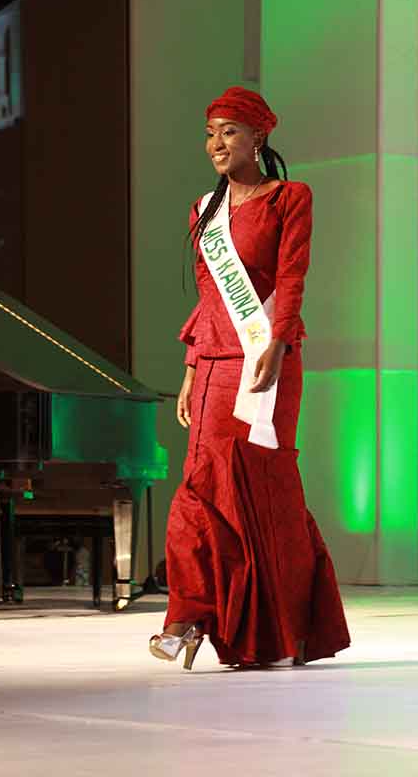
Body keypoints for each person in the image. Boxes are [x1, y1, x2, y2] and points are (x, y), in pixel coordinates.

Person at [149, 86, 350, 670]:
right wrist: (191, 367)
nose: (216, 143)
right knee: (200, 488)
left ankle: (283, 630)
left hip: (266, 357)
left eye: (229, 131)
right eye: (210, 132)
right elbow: (210, 294)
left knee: (263, 490)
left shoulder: (289, 197)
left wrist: (279, 343)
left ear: (258, 136)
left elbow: (292, 277)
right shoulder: (204, 212)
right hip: (214, 360)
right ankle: (188, 615)